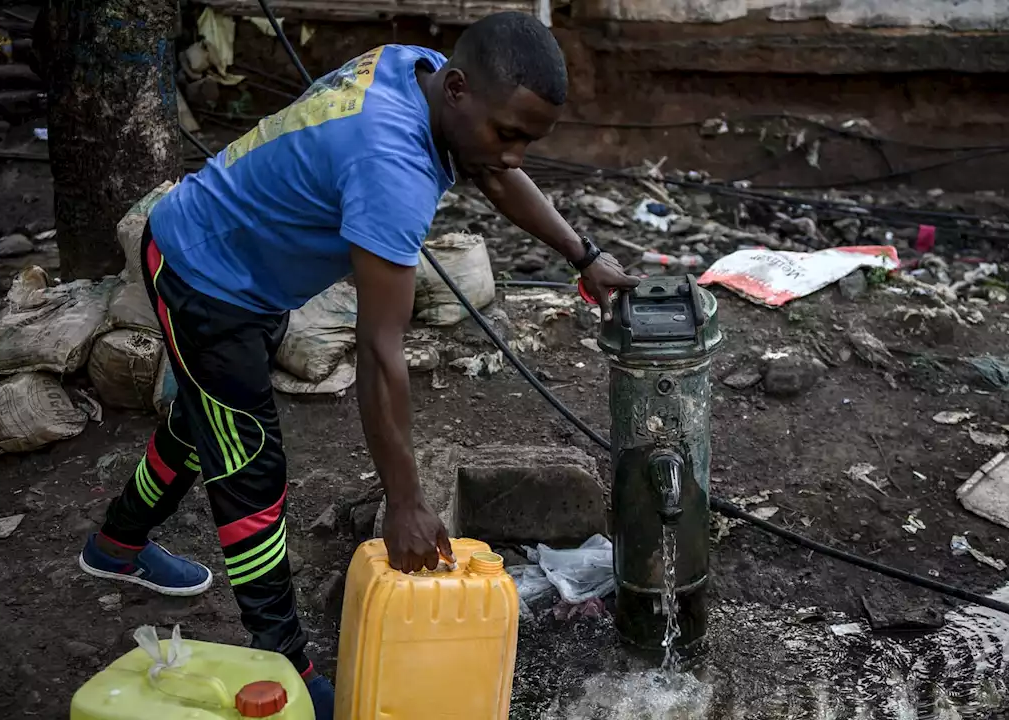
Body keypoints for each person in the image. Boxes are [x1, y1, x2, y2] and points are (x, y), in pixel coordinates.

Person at [74, 11, 638, 719]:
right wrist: (404, 500)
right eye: (510, 133)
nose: (516, 154)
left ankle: (116, 543)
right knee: (249, 463)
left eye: (530, 138)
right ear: (459, 89)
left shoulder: (418, 71)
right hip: (204, 274)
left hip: (243, 266)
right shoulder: (392, 167)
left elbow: (495, 172)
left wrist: (584, 257)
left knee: (206, 420)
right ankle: (281, 658)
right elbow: (379, 350)